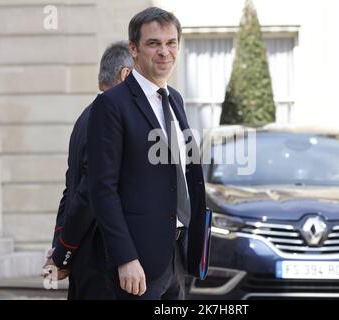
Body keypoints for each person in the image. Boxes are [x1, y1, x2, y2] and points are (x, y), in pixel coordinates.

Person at [86, 7, 207, 300]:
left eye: (171, 43)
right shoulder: (112, 104)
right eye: (154, 43)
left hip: (177, 253)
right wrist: (125, 257)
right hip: (137, 262)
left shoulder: (175, 98)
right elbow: (101, 189)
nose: (164, 52)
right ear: (134, 49)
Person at [41, 41, 133, 299]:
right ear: (125, 75)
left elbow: (68, 193)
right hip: (101, 263)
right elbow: (86, 194)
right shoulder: (108, 119)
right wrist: (62, 254)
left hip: (86, 261)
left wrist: (60, 249)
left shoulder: (86, 116)